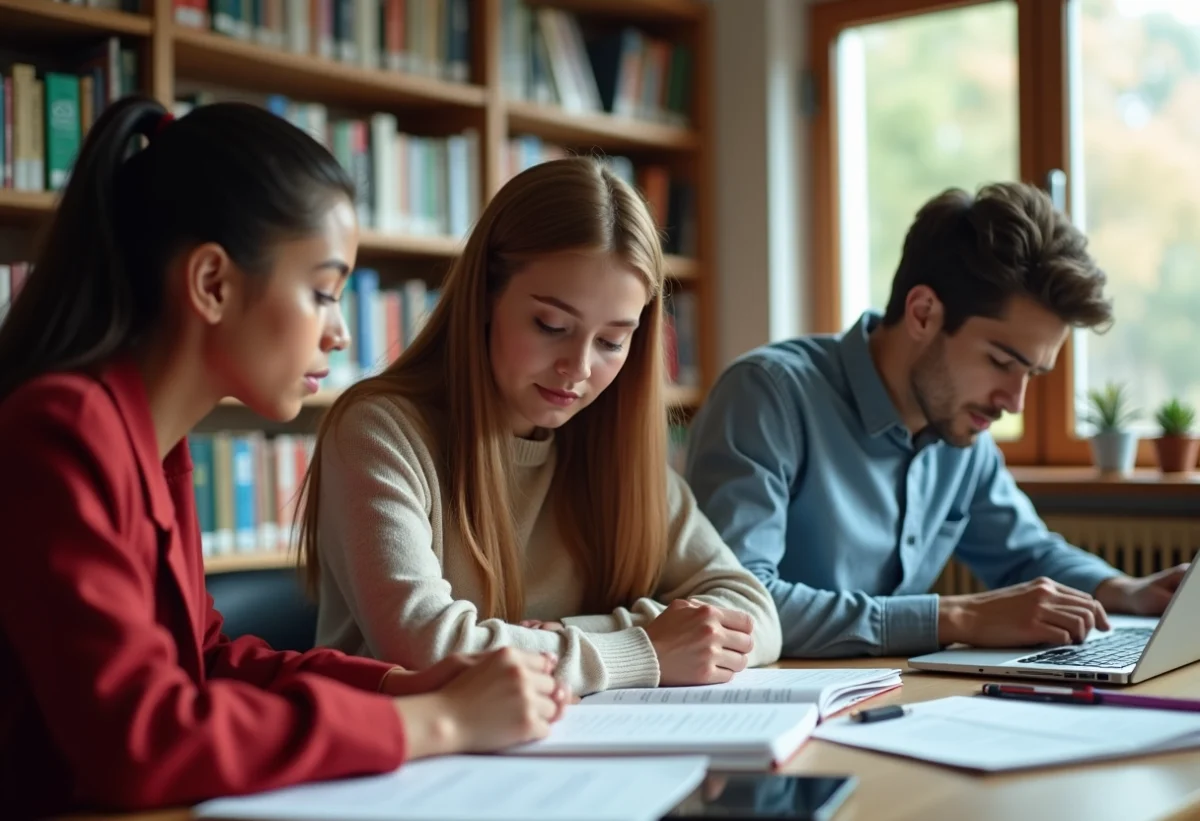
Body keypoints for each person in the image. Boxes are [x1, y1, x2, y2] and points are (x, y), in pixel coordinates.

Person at [0, 97, 569, 820]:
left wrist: (404, 684)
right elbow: (136, 739)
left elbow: (202, 661)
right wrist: (440, 722)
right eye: (323, 292)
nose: (338, 333)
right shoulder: (60, 431)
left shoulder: (156, 441)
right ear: (212, 283)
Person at [298, 157, 782, 696]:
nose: (577, 369)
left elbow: (754, 613)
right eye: (551, 325)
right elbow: (429, 646)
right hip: (410, 760)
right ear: (484, 295)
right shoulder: (378, 431)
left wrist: (576, 635)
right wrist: (645, 647)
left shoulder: (608, 441)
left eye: (611, 341)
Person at [684, 181, 1189, 659]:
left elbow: (1028, 555)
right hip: (774, 715)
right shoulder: (767, 397)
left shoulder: (960, 433)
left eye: (1032, 373)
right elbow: (736, 609)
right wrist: (958, 616)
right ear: (923, 313)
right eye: (1002, 361)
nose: (1015, 402)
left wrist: (1130, 591)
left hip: (890, 699)